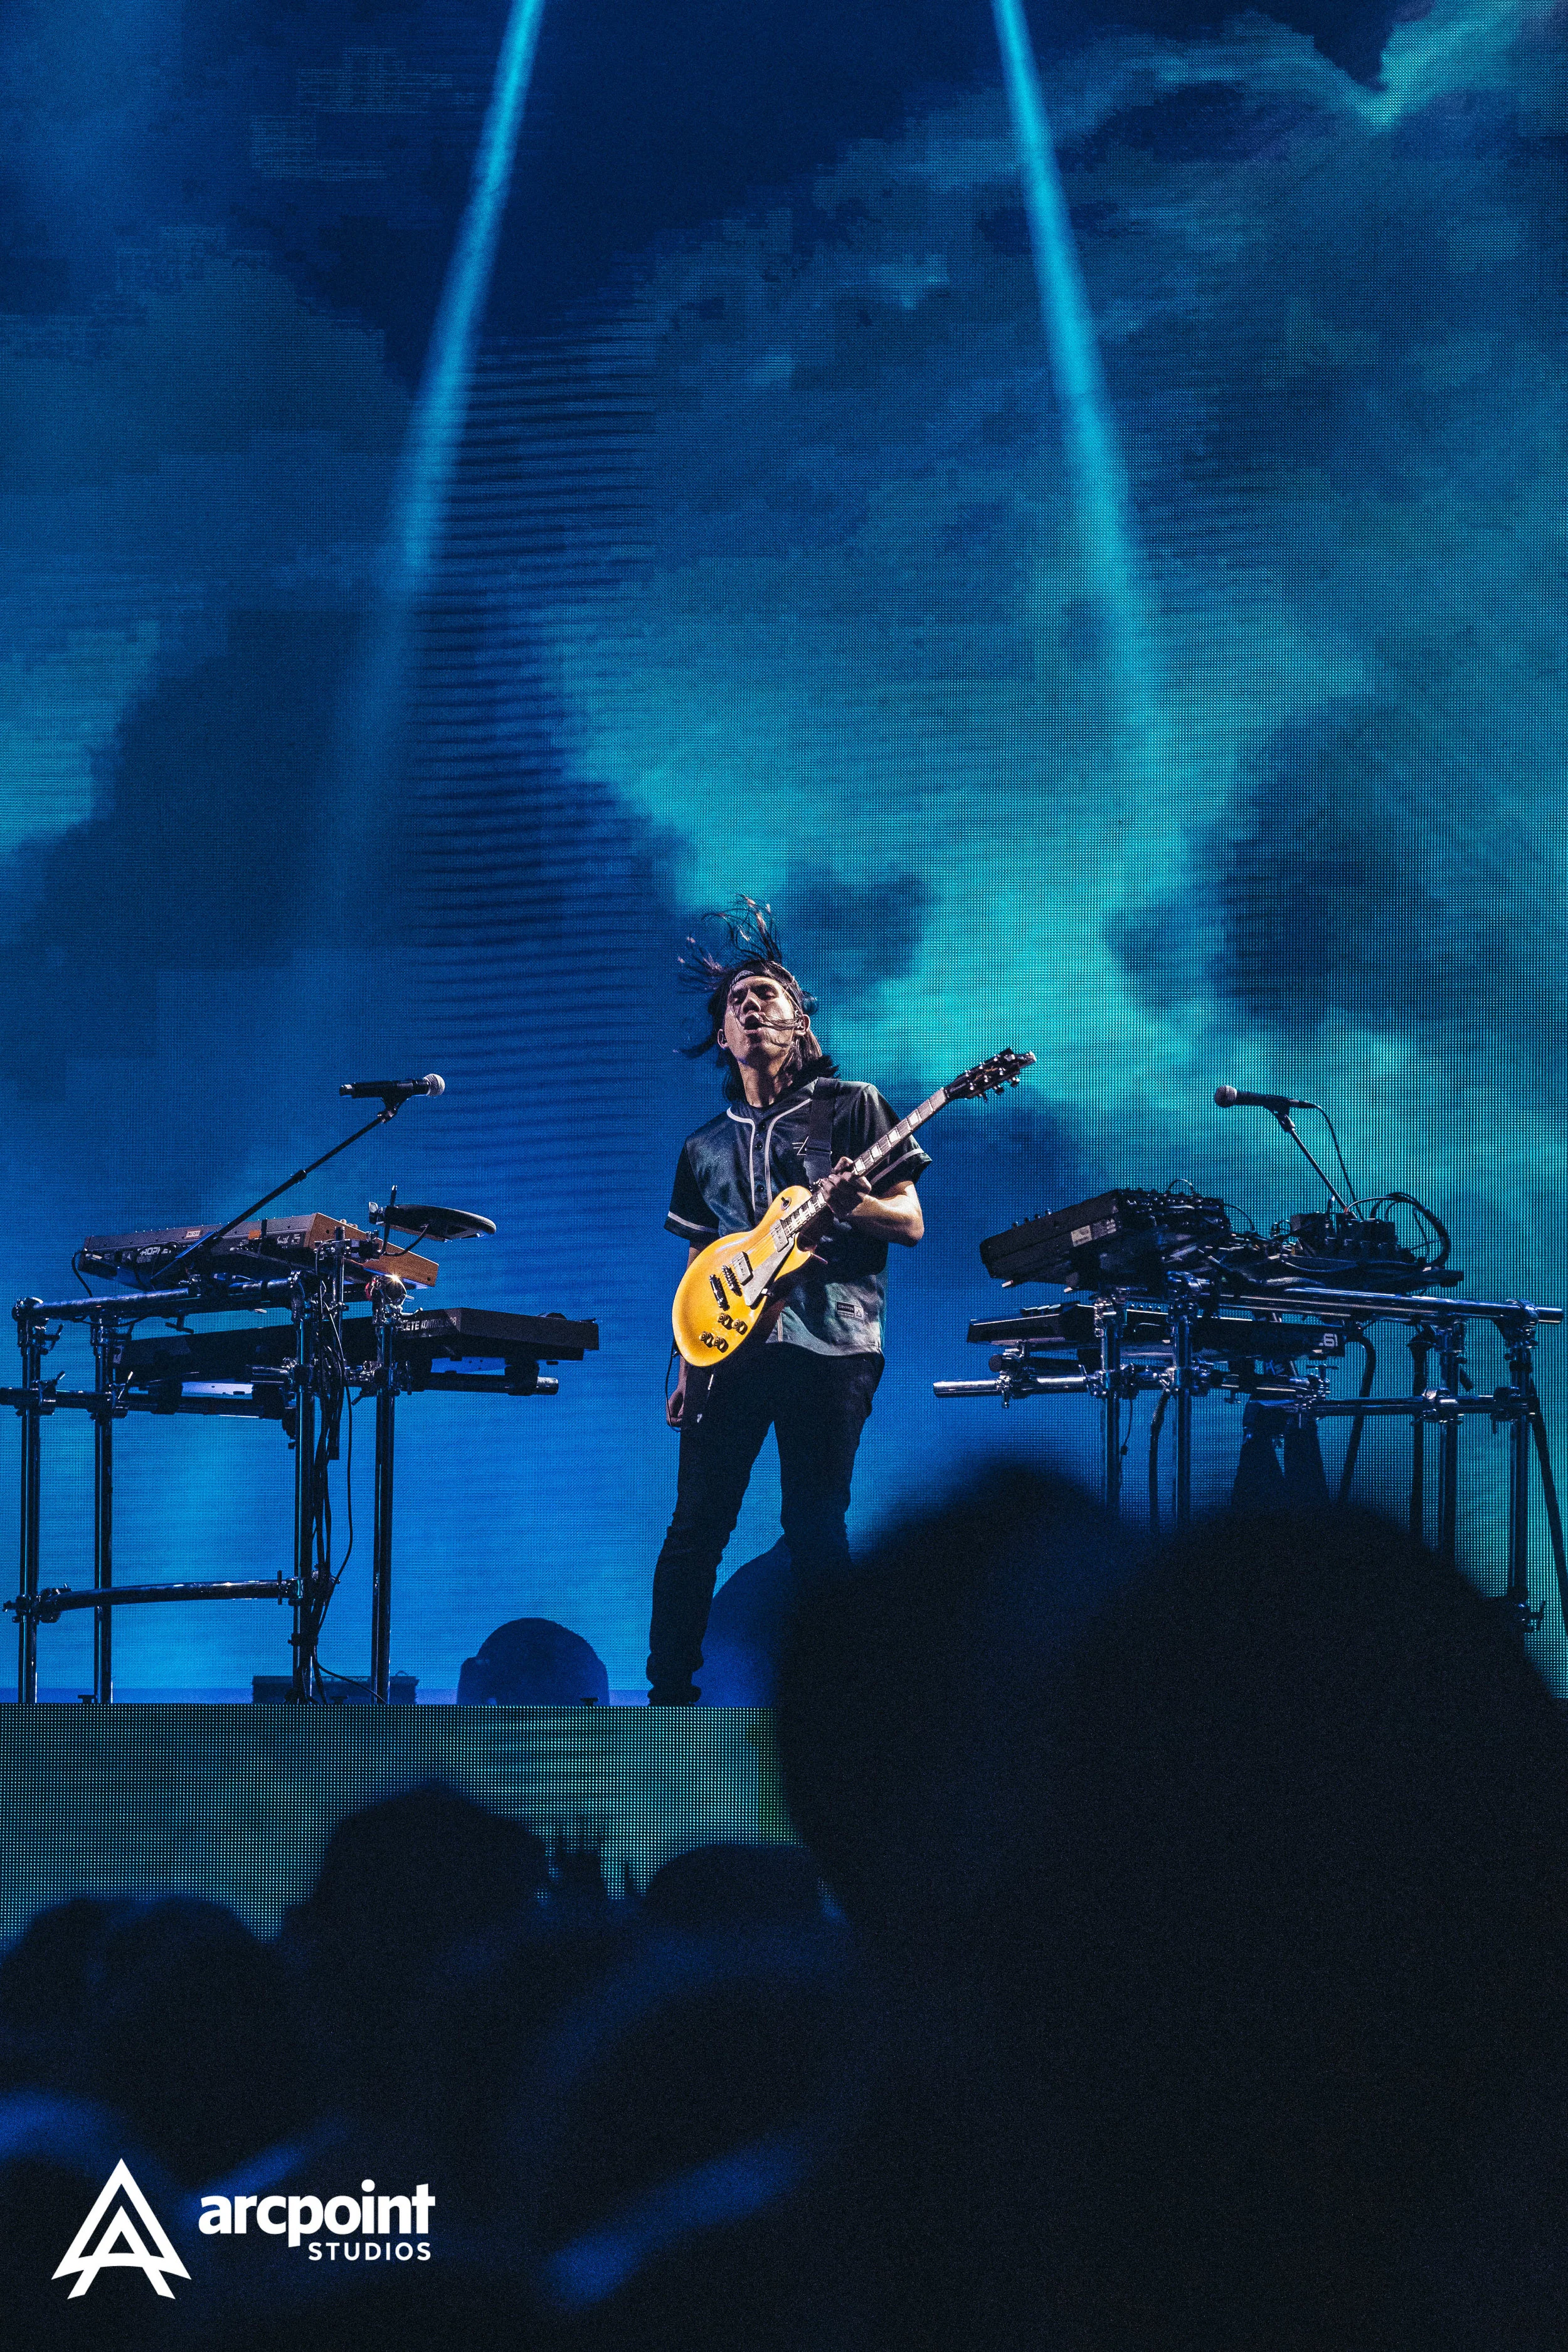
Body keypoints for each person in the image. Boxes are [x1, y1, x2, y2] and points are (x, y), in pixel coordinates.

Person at [647, 903, 927, 1704]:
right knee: (695, 1528)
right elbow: (701, 1265)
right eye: (736, 1001)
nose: (750, 1006)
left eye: (768, 994)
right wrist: (689, 1367)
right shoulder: (701, 1146)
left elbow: (907, 1221)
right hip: (728, 1350)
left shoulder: (853, 1106)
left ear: (799, 1023)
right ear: (724, 1038)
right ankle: (668, 1700)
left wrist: (850, 1205)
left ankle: (841, 1701)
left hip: (834, 1344)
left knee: (813, 1526)